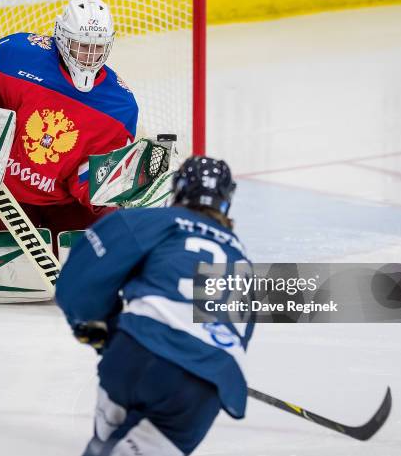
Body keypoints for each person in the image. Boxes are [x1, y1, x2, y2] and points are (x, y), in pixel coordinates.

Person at [56, 156, 255, 456]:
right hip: (204, 385)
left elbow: (80, 284)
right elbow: (239, 334)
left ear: (178, 189)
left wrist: (100, 326)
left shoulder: (153, 221)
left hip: (135, 354)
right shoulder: (242, 260)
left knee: (102, 449)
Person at [0, 0, 138, 245]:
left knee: (99, 242)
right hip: (2, 191)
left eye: (97, 47)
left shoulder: (120, 106)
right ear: (61, 37)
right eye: (82, 45)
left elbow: (92, 174)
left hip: (63, 202)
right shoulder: (17, 53)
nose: (89, 56)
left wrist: (109, 194)